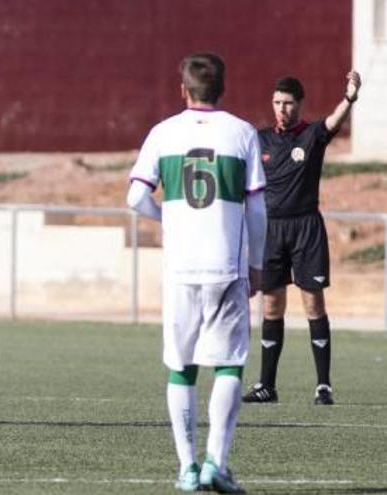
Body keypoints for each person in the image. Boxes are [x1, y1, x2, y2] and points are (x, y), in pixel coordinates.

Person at [127, 53, 266, 493]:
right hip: (227, 265)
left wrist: (168, 216)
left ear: (183, 89)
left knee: (181, 367)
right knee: (228, 364)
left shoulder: (163, 133)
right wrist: (257, 264)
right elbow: (258, 207)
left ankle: (187, 468)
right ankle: (216, 464)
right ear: (222, 88)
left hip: (181, 268)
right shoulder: (242, 132)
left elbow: (135, 198)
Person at [242, 72, 361, 406]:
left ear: (299, 104)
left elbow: (334, 121)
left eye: (289, 103)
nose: (283, 109)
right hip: (271, 231)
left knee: (313, 304)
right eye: (278, 103)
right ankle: (267, 385)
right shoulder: (260, 140)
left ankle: (323, 386)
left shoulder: (311, 135)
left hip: (306, 228)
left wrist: (350, 98)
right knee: (271, 306)